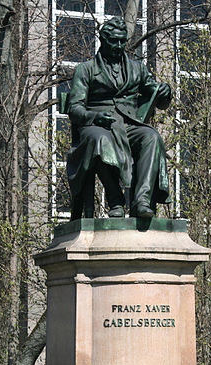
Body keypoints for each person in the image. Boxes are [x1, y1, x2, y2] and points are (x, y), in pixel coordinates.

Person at [67, 16, 172, 218]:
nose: (118, 45)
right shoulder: (86, 69)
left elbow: (157, 96)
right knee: (99, 140)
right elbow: (75, 108)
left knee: (151, 137)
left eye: (122, 41)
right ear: (103, 40)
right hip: (97, 124)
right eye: (113, 41)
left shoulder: (137, 68)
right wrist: (94, 117)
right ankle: (115, 199)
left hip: (128, 124)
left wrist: (165, 92)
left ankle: (141, 200)